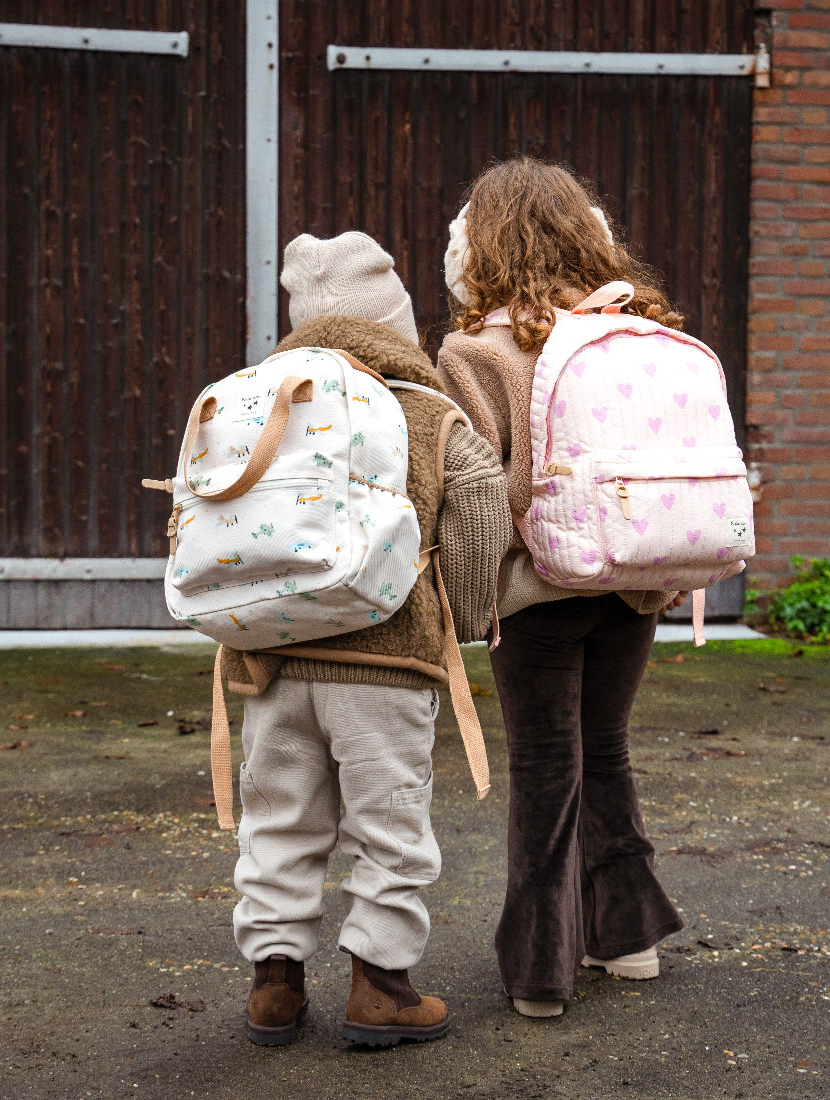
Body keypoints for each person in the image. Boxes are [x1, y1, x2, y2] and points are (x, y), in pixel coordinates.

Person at [223, 231, 511, 1046]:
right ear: (397, 321)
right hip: (385, 663)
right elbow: (483, 500)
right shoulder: (424, 409)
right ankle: (381, 989)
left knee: (278, 817)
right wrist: (454, 614)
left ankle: (274, 984)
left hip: (274, 656)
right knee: (389, 824)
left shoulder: (255, 399)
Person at [436, 157, 686, 1018]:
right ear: (591, 232)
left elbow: (477, 489)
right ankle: (630, 942)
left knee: (546, 769)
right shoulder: (636, 326)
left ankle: (541, 975)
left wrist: (468, 601)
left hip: (541, 591)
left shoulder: (475, 347)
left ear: (483, 244)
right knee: (606, 752)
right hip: (635, 579)